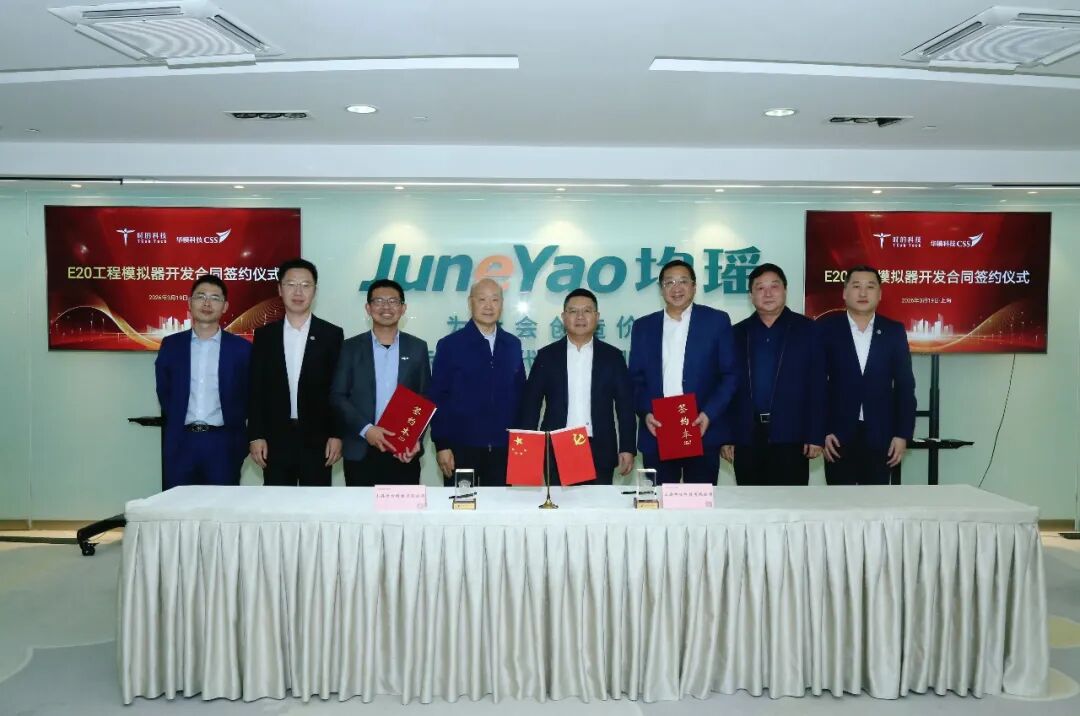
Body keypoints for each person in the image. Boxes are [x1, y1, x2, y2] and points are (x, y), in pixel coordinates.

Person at [628, 259, 737, 484]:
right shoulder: (643, 327)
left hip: (701, 427)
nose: (676, 288)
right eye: (669, 282)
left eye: (683, 281)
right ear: (661, 289)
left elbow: (730, 375)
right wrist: (646, 412)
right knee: (659, 501)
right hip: (658, 429)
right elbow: (635, 379)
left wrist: (709, 413)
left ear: (694, 287)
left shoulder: (716, 321)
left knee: (699, 501)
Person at [518, 288, 635, 484]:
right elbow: (531, 405)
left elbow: (625, 407)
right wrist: (526, 451)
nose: (580, 316)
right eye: (573, 311)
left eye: (587, 311)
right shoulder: (547, 356)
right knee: (558, 504)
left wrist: (627, 447)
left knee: (598, 504)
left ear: (597, 317)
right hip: (557, 447)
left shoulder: (612, 357)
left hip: (599, 449)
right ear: (564, 317)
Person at [722, 263, 824, 485]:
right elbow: (727, 388)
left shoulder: (809, 330)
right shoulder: (735, 334)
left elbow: (818, 385)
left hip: (792, 436)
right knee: (750, 503)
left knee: (790, 503)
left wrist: (816, 434)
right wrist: (727, 436)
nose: (767, 294)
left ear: (785, 290)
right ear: (751, 295)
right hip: (746, 437)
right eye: (760, 288)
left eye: (774, 286)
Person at [248, 258, 344, 486]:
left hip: (319, 439)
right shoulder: (265, 335)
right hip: (275, 439)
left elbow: (338, 389)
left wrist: (337, 434)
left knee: (316, 504)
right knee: (277, 503)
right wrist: (255, 435)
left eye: (305, 285)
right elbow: (256, 389)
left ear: (315, 291)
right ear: (280, 289)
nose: (298, 292)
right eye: (291, 284)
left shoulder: (331, 335)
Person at [817, 265, 916, 485]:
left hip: (881, 436)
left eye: (870, 287)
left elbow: (905, 386)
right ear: (844, 292)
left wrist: (902, 434)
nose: (863, 293)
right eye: (856, 286)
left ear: (879, 294)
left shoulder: (893, 331)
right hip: (836, 436)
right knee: (839, 502)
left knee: (876, 501)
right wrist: (821, 430)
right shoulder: (825, 329)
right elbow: (816, 385)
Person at [330, 279, 431, 486]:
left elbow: (424, 399)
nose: (386, 307)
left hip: (402, 452)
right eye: (379, 301)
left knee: (403, 508)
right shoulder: (349, 348)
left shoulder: (417, 348)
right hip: (360, 449)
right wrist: (367, 429)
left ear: (403, 308)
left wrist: (416, 440)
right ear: (368, 308)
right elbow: (337, 396)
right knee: (360, 508)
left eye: (393, 301)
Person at [154, 275, 251, 489]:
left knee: (221, 506)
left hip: (223, 443)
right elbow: (164, 391)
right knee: (178, 505)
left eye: (215, 298)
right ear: (189, 303)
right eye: (201, 296)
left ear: (225, 306)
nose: (207, 303)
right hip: (182, 441)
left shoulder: (242, 349)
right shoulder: (171, 345)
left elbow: (248, 395)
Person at [429, 278, 525, 486]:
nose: (488, 306)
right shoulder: (450, 345)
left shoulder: (512, 344)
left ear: (502, 304)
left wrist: (521, 443)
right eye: (482, 299)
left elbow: (520, 395)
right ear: (470, 302)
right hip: (460, 448)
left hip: (503, 449)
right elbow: (437, 397)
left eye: (495, 300)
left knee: (499, 506)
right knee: (462, 504)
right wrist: (442, 445)